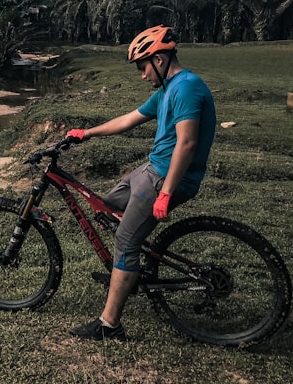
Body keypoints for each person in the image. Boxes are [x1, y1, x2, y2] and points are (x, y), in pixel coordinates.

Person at [65, 25, 216, 341]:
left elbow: (186, 144)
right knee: (106, 209)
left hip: (166, 177)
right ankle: (128, 273)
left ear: (159, 60)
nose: (141, 74)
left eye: (142, 66)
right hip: (151, 169)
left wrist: (166, 193)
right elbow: (128, 120)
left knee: (124, 241)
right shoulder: (166, 90)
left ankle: (110, 325)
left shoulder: (187, 87)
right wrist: (87, 133)